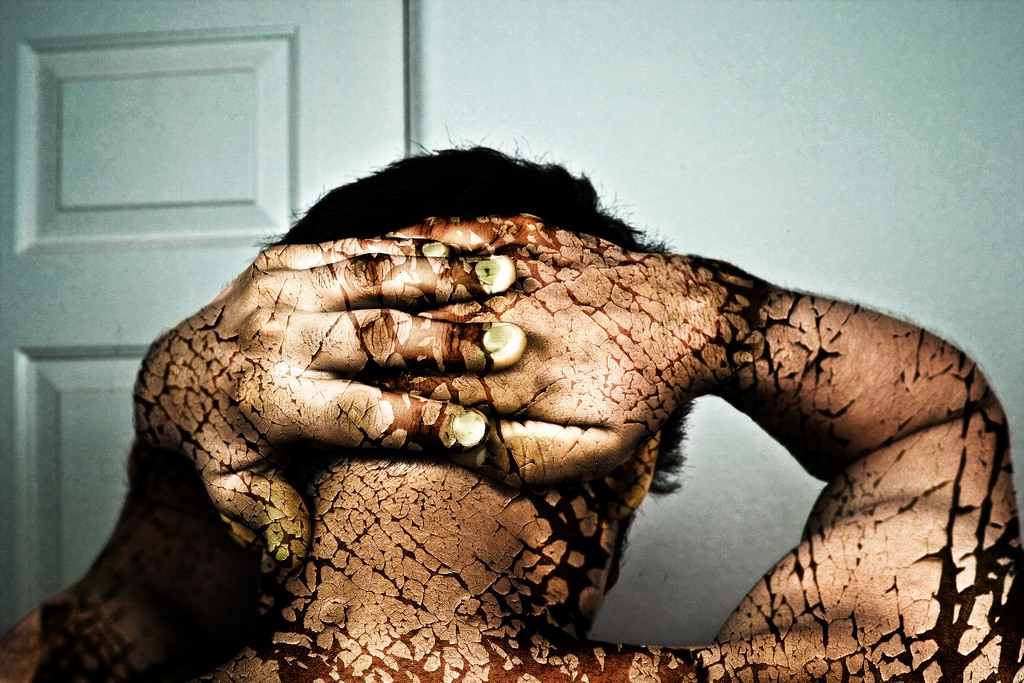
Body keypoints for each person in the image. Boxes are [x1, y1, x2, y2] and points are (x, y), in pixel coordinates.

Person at [0, 149, 1020, 682]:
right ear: (632, 463)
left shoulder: (67, 669)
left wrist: (172, 396)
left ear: (258, 421)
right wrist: (720, 317)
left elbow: (150, 591)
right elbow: (936, 432)